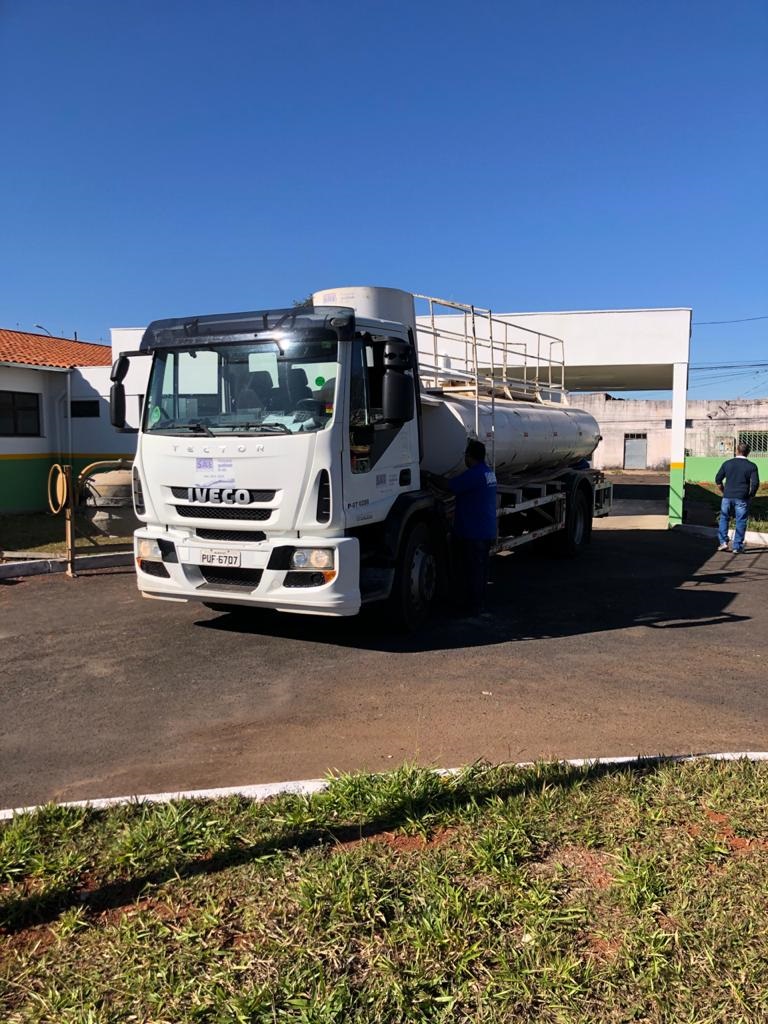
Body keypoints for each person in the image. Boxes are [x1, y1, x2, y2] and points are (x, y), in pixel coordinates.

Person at [447, 439, 498, 615]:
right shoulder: (488, 472)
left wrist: (429, 476)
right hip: (486, 530)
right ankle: (479, 604)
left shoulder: (474, 475)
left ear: (471, 456)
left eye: (466, 455)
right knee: (481, 571)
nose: (465, 459)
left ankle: (472, 607)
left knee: (470, 572)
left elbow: (449, 486)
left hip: (472, 532)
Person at [715, 442, 760, 553]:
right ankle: (737, 546)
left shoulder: (727, 463)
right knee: (741, 520)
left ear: (736, 450)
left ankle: (723, 543)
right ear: (748, 452)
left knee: (724, 518)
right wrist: (751, 495)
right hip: (742, 497)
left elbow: (718, 480)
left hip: (727, 496)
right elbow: (755, 483)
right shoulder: (752, 466)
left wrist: (723, 491)